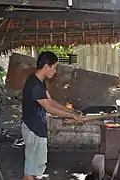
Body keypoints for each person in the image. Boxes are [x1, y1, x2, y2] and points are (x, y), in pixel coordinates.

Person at [22, 51, 82, 180]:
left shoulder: (38, 80)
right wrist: (71, 116)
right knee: (30, 172)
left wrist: (72, 112)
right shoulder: (35, 85)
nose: (55, 72)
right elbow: (49, 108)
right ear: (46, 66)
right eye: (54, 67)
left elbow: (51, 101)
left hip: (36, 128)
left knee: (33, 169)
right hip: (33, 129)